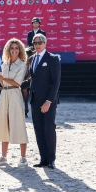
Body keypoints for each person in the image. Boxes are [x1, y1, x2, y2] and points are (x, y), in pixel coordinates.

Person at [0, 38, 30, 167]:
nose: (14, 50)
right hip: (4, 94)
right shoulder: (4, 64)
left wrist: (2, 77)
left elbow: (17, 83)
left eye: (16, 48)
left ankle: (23, 157)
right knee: (4, 124)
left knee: (18, 123)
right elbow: (3, 83)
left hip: (15, 93)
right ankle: (3, 157)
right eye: (12, 48)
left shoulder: (22, 65)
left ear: (20, 50)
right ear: (8, 50)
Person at [28, 34, 61, 169]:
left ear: (45, 43)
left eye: (40, 42)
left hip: (48, 101)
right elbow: (32, 80)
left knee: (49, 129)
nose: (37, 44)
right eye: (35, 42)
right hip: (35, 101)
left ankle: (51, 159)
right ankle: (43, 159)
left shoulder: (53, 59)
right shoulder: (31, 59)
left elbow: (56, 82)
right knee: (38, 130)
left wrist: (49, 101)